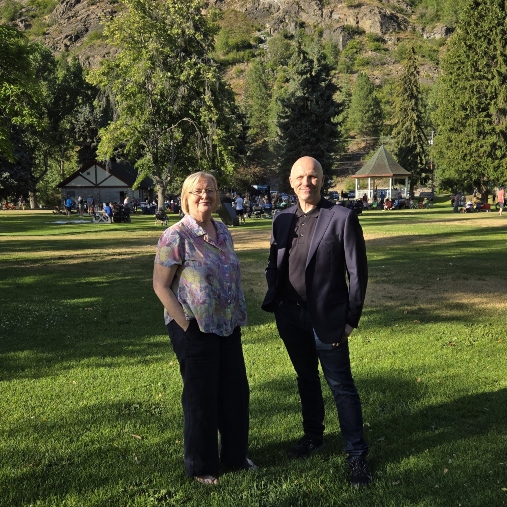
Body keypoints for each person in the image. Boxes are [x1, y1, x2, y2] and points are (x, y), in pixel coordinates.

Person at [261, 156, 371, 487]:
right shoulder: (281, 218)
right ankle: (313, 436)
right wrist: (276, 297)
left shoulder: (341, 218)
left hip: (329, 318)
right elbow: (273, 262)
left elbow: (357, 273)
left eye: (313, 176)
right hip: (290, 315)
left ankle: (356, 456)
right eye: (300, 177)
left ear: (322, 181)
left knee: (341, 386)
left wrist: (350, 320)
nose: (306, 182)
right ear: (291, 181)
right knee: (306, 378)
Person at [153, 171, 254, 485]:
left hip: (227, 324)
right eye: (198, 191)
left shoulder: (222, 229)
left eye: (210, 190)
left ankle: (235, 456)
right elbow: (160, 286)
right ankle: (202, 466)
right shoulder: (176, 235)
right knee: (201, 397)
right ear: (186, 196)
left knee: (235, 392)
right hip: (194, 327)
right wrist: (185, 324)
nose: (205, 196)